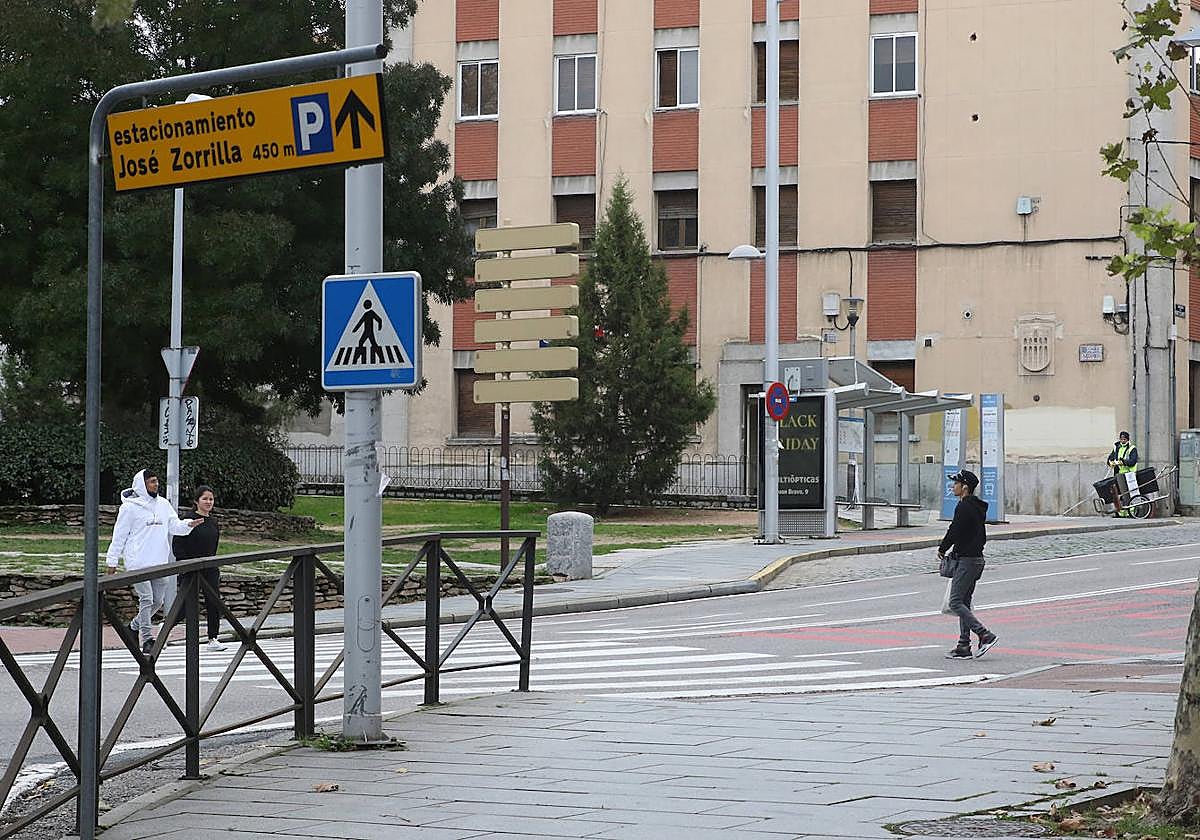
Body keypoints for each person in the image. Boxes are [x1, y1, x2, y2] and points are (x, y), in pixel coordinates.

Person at [105, 469, 199, 655]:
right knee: (146, 598)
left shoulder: (163, 504)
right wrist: (112, 560)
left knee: (157, 601)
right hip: (138, 562)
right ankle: (147, 639)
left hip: (159, 561)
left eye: (157, 481)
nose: (156, 485)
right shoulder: (129, 508)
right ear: (142, 484)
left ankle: (132, 627)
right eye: (152, 482)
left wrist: (188, 524)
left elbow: (174, 525)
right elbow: (119, 535)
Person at [937, 469, 999, 660]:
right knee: (964, 602)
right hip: (975, 559)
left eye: (955, 483)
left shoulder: (964, 507)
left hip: (967, 560)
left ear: (964, 487)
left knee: (955, 601)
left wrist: (942, 548)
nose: (952, 486)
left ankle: (984, 634)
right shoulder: (975, 506)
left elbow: (954, 530)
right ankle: (964, 645)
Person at [172, 485, 226, 652]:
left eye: (211, 499)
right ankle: (165, 628)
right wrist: (186, 564)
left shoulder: (213, 522)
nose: (208, 502)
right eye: (205, 499)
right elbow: (178, 546)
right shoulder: (188, 520)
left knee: (214, 602)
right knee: (186, 606)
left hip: (209, 568)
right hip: (191, 568)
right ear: (196, 501)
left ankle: (213, 638)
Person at [1107, 431, 1139, 517]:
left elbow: (1133, 461)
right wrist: (1111, 462)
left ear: (1128, 439)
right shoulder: (1116, 448)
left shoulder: (1132, 448)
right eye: (1121, 439)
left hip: (1129, 474)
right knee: (1119, 494)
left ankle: (1131, 512)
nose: (1122, 440)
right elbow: (1110, 458)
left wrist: (1123, 462)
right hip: (1118, 475)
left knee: (1129, 494)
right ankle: (1120, 513)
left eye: (1124, 439)